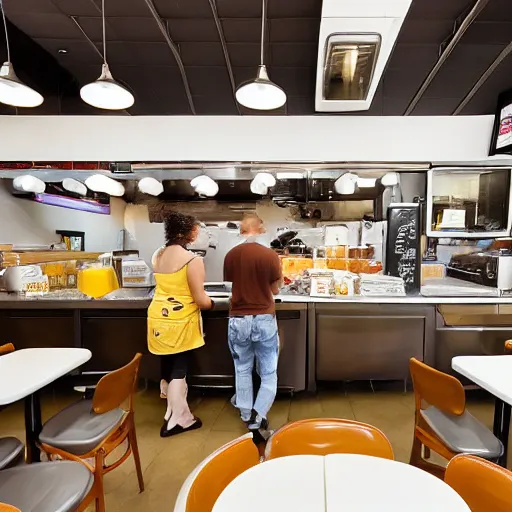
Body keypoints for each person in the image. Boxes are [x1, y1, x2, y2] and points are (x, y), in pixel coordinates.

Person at [148, 211, 213, 438]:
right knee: (179, 368)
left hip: (158, 317)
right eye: (195, 229)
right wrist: (212, 302)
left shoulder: (159, 255)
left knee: (167, 364)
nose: (197, 233)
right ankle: (178, 420)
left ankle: (171, 411)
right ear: (188, 233)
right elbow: (201, 300)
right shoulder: (192, 260)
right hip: (180, 320)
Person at [224, 213, 282, 433]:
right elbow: (275, 290)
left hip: (238, 319)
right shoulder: (270, 256)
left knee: (242, 369)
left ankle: (246, 414)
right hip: (264, 318)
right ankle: (260, 414)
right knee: (268, 372)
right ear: (261, 228)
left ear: (241, 229)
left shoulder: (231, 255)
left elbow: (230, 288)